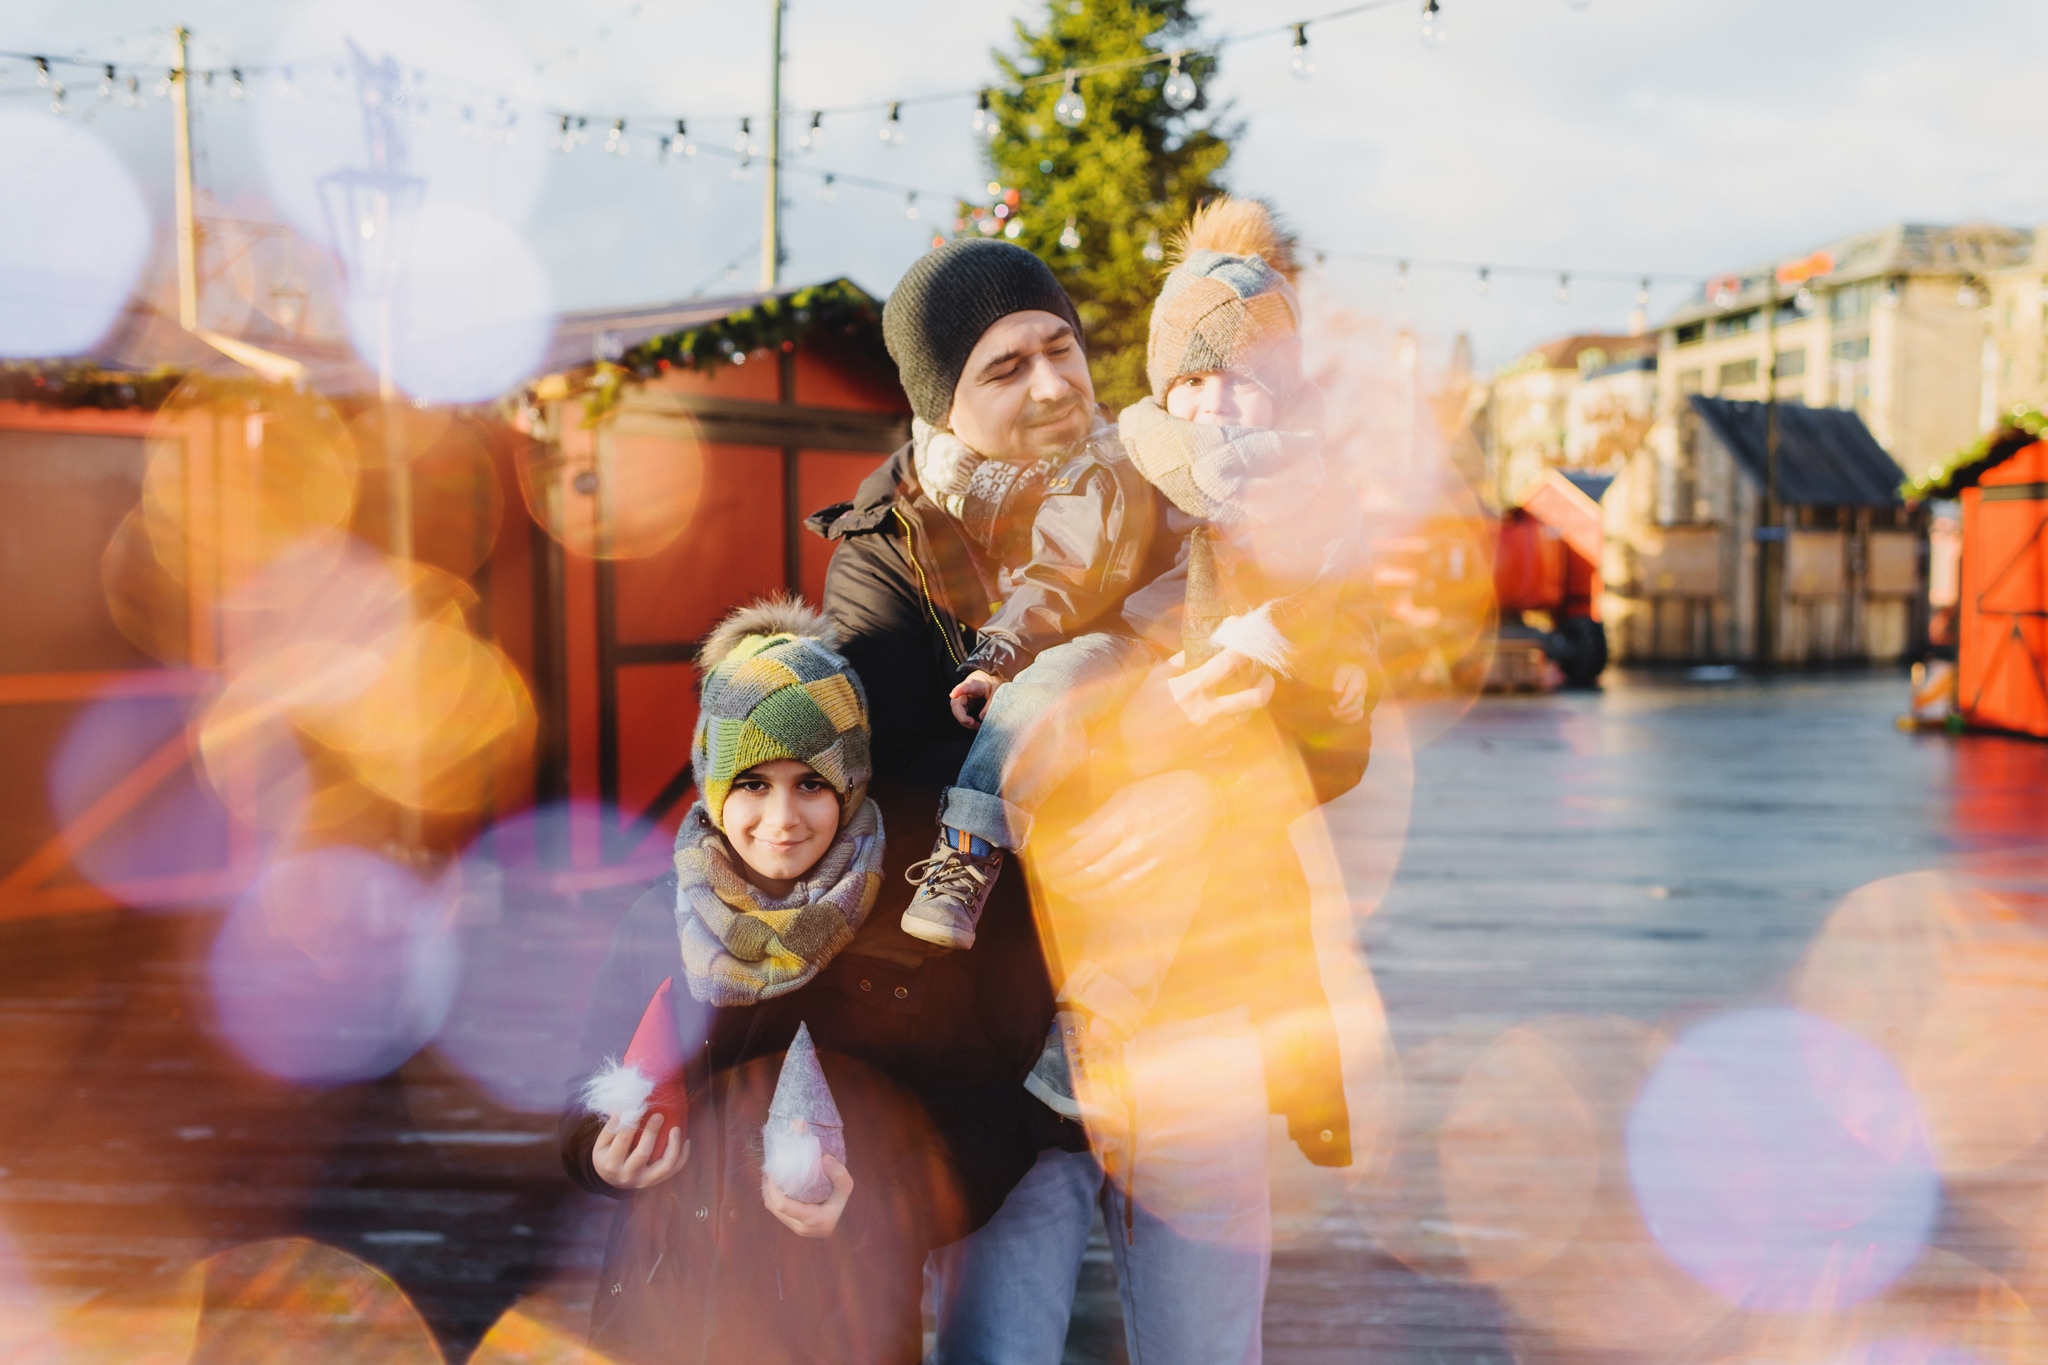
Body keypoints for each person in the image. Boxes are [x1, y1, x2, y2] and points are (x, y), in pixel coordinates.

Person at [808, 234, 1368, 1365]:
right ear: (942, 400)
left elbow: (1332, 737)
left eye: (1059, 347)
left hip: (1199, 997)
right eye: (1004, 368)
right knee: (998, 1343)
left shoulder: (1173, 473)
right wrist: (1111, 786)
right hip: (1003, 1026)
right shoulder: (887, 549)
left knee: (1208, 1344)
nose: (1053, 384)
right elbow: (892, 783)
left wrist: (1230, 756)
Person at [559, 597, 1045, 1365]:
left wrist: (876, 1211)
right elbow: (586, 1090)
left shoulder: (907, 929)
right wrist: (599, 1152)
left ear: (850, 780)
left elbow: (986, 1124)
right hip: (668, 1315)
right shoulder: (659, 918)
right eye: (752, 783)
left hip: (839, 1324)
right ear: (712, 779)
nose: (782, 817)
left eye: (810, 783)